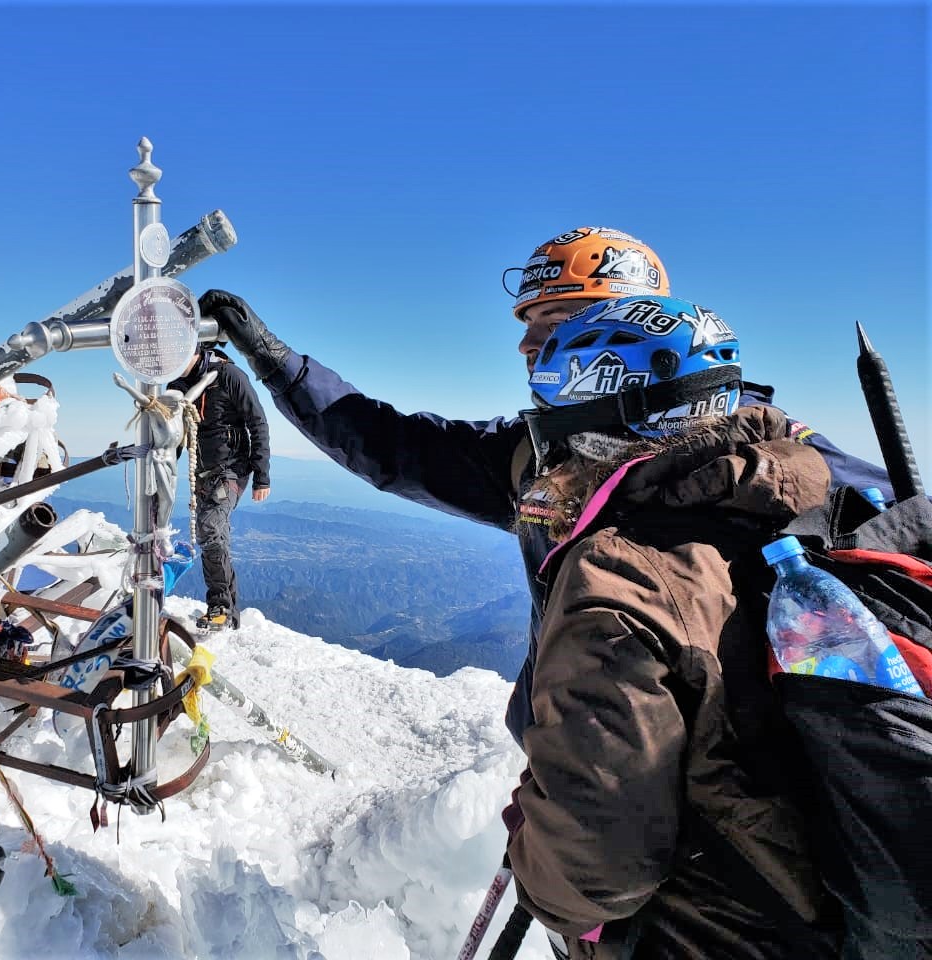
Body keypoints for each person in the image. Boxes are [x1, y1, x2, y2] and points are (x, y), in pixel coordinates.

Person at [197, 226, 891, 742]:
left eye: (552, 320)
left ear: (628, 322)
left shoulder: (786, 461)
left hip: (736, 839)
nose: (527, 345)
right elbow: (397, 447)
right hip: (602, 787)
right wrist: (280, 364)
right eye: (527, 324)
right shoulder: (540, 459)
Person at [499, 295, 842, 957]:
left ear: (600, 421)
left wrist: (530, 852)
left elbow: (593, 870)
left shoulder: (620, 576)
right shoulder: (808, 508)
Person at [167, 343, 272, 631]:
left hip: (231, 470)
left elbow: (257, 421)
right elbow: (173, 432)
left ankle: (221, 607)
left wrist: (262, 475)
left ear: (195, 349)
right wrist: (164, 468)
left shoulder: (228, 376)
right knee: (214, 535)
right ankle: (226, 611)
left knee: (210, 529)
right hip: (203, 473)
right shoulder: (177, 385)